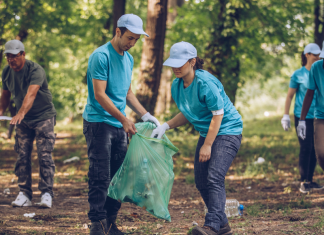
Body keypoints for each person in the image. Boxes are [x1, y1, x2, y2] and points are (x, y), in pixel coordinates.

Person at [151, 41, 243, 235]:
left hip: (228, 130)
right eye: (173, 63)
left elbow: (218, 115)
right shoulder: (177, 85)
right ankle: (223, 225)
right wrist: (165, 126)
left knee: (215, 177)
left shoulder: (205, 83)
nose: (175, 67)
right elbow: (188, 112)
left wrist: (208, 145)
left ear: (192, 61)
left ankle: (211, 226)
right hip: (208, 132)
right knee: (201, 181)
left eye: (180, 62)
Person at [83, 14, 160, 235]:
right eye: (130, 38)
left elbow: (126, 92)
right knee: (100, 174)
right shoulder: (101, 56)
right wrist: (124, 119)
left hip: (118, 124)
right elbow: (100, 94)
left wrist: (146, 115)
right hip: (98, 122)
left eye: (136, 39)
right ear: (118, 31)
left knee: (119, 176)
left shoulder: (128, 58)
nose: (132, 43)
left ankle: (110, 222)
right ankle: (96, 224)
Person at [0, 40, 57, 208]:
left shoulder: (36, 70)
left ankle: (46, 193)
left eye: (15, 56)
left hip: (43, 117)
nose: (11, 60)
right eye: (8, 57)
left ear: (23, 54)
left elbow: (31, 94)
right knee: (22, 155)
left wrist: (21, 113)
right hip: (23, 120)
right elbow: (5, 95)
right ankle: (24, 194)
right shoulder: (6, 72)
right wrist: (1, 110)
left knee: (44, 155)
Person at [281, 43, 323, 193]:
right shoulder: (298, 74)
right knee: (306, 147)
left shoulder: (318, 70)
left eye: (319, 54)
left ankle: (310, 180)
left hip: (317, 115)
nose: (317, 56)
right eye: (314, 54)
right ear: (307, 55)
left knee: (316, 150)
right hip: (302, 116)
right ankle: (303, 181)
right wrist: (286, 115)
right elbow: (290, 96)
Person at [297, 41, 324, 189]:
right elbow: (309, 93)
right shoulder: (316, 68)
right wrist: (301, 120)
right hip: (321, 115)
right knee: (320, 153)